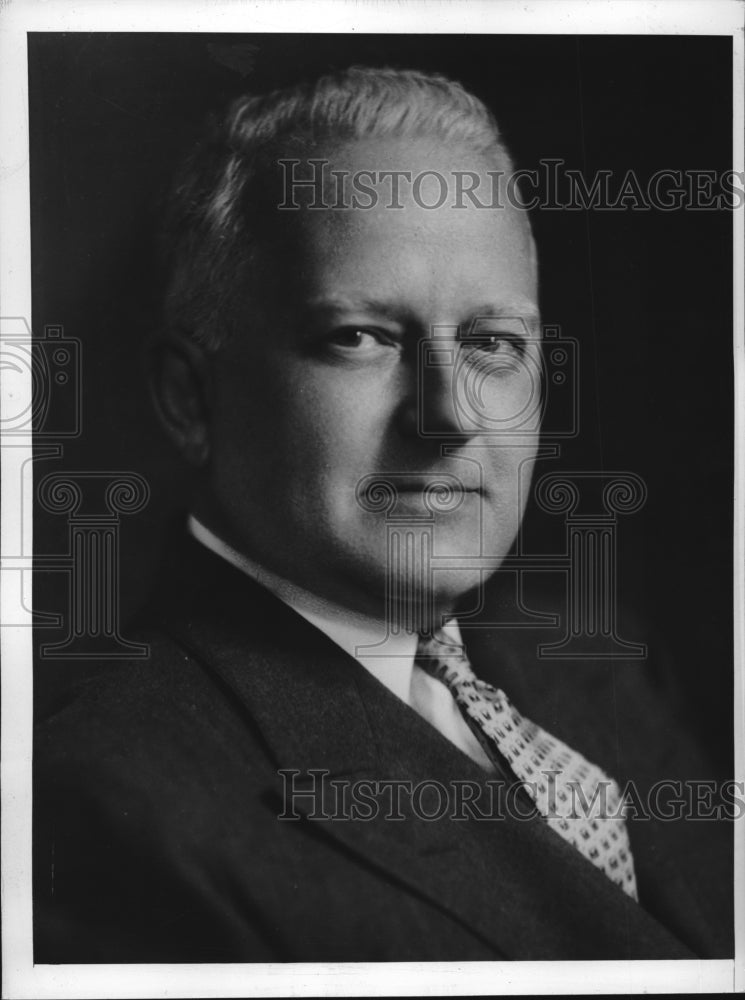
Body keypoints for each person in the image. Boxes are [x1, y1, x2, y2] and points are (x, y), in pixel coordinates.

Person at [33, 66, 732, 962]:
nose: (446, 418)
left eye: (491, 343)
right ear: (189, 398)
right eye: (359, 337)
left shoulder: (600, 666)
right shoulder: (113, 806)